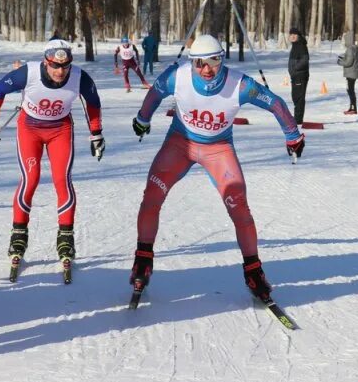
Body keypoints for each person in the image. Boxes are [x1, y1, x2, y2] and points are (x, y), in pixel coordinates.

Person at [129, 35, 304, 300]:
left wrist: (293, 135)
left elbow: (274, 103)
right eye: (200, 63)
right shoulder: (179, 76)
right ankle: (143, 259)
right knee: (151, 195)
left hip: (218, 149)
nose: (207, 69)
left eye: (214, 61)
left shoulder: (239, 84)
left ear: (222, 59)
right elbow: (155, 92)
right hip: (180, 144)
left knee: (239, 207)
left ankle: (254, 271)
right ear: (192, 63)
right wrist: (143, 119)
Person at [0, 39, 104, 276]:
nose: (60, 72)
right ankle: (18, 234)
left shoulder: (80, 77)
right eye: (55, 66)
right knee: (31, 178)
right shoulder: (28, 73)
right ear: (45, 62)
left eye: (65, 66)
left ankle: (66, 237)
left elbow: (93, 102)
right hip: (29, 129)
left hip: (60, 130)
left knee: (62, 179)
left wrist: (96, 134)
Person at [287, 27, 309, 124]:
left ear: (298, 36)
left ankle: (298, 119)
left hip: (300, 75)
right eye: (291, 35)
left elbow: (305, 60)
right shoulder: (295, 45)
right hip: (295, 76)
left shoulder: (301, 45)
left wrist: (295, 68)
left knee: (299, 97)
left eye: (294, 35)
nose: (292, 36)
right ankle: (297, 116)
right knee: (295, 96)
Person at [337, 31, 358, 114]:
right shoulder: (356, 48)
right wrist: (344, 56)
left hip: (350, 73)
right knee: (350, 90)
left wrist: (340, 62)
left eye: (346, 39)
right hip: (354, 72)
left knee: (350, 90)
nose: (345, 42)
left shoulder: (350, 49)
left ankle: (353, 108)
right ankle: (352, 107)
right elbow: (350, 58)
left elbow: (348, 62)